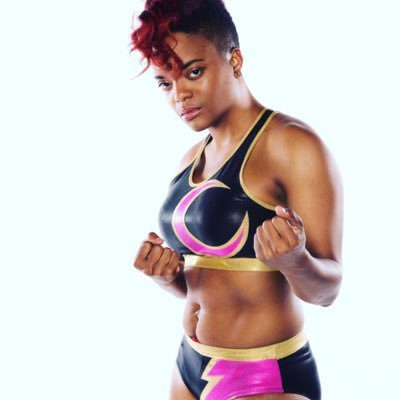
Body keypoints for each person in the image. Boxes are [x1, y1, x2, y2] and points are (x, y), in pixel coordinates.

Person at [130, 1, 343, 399]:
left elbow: (328, 290)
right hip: (189, 365)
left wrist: (296, 261)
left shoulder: (292, 144)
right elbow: (214, 283)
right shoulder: (191, 159)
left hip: (260, 374)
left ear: (235, 60)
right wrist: (166, 277)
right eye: (165, 83)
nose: (180, 94)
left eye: (194, 72)